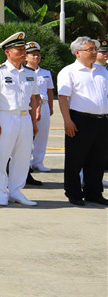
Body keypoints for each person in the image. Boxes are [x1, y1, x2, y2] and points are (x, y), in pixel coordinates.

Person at [0, 31, 41, 206]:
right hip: (6, 117)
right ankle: (1, 192)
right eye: (19, 50)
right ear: (7, 52)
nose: (23, 52)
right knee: (2, 157)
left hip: (24, 117)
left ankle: (16, 191)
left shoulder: (30, 73)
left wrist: (33, 123)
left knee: (22, 157)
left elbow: (33, 99)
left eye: (24, 49)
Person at [56, 36, 108, 206]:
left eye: (95, 49)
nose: (94, 52)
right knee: (75, 159)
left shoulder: (102, 71)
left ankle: (94, 192)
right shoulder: (68, 71)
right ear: (77, 53)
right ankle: (74, 193)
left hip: (102, 120)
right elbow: (63, 98)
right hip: (79, 120)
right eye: (90, 49)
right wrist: (67, 120)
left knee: (98, 159)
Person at [25, 41, 55, 174]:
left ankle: (38, 162)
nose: (36, 57)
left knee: (42, 135)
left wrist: (50, 107)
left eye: (37, 54)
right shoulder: (23, 72)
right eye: (32, 55)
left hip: (43, 105)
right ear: (26, 57)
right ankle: (25, 163)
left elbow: (50, 91)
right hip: (28, 106)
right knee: (27, 136)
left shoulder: (46, 72)